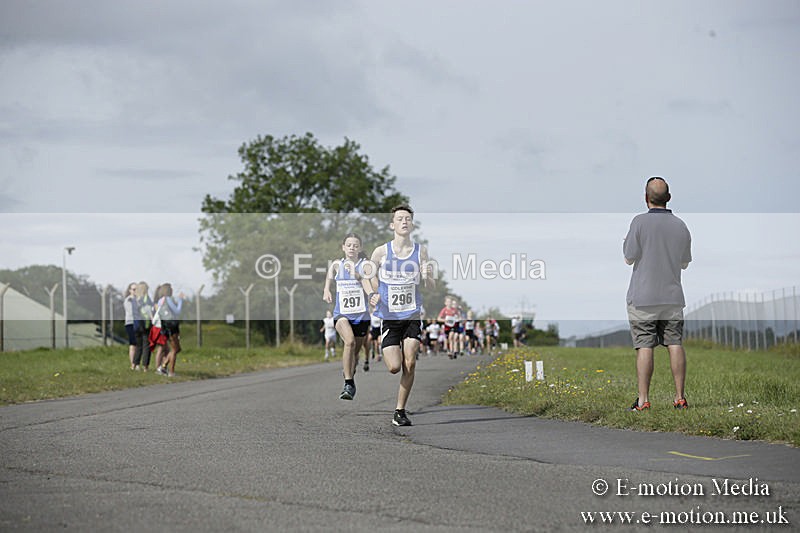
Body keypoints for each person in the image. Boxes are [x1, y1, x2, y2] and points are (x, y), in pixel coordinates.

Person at [624, 176, 692, 411]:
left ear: (646, 198)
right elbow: (684, 263)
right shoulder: (681, 225)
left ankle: (643, 401)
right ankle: (680, 398)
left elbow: (628, 257)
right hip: (672, 295)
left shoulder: (639, 223)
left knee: (645, 345)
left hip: (643, 297)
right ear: (669, 198)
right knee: (674, 343)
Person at [366, 205, 434, 426]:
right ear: (392, 224)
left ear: (412, 224)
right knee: (394, 367)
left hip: (412, 314)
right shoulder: (381, 252)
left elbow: (431, 286)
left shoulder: (420, 251)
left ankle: (399, 411)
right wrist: (372, 294)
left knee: (410, 363)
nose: (404, 221)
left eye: (408, 219)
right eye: (400, 218)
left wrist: (428, 277)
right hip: (390, 317)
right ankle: (384, 345)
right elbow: (366, 276)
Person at [322, 233, 372, 400]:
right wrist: (327, 290)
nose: (352, 248)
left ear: (360, 248)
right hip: (341, 314)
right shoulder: (337, 264)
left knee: (355, 355)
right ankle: (349, 383)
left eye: (355, 245)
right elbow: (329, 276)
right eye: (349, 245)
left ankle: (350, 371)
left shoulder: (364, 265)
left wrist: (356, 275)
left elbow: (368, 282)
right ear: (343, 247)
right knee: (349, 341)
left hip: (361, 316)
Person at [155, 283, 184, 377]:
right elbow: (177, 311)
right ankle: (171, 371)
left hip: (165, 327)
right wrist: (180, 300)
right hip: (172, 326)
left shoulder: (160, 301)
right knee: (175, 349)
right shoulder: (168, 299)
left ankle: (163, 366)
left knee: (176, 348)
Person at [133, 281, 153, 371]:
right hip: (145, 323)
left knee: (138, 345)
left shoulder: (135, 299)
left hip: (136, 324)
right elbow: (149, 310)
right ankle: (145, 365)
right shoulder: (146, 298)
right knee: (146, 345)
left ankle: (135, 364)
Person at [122, 282, 140, 370]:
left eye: (137, 289)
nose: (135, 291)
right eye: (133, 289)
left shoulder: (139, 299)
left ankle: (137, 363)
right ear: (130, 290)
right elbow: (131, 312)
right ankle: (133, 364)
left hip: (138, 322)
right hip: (131, 322)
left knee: (138, 344)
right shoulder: (128, 300)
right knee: (133, 344)